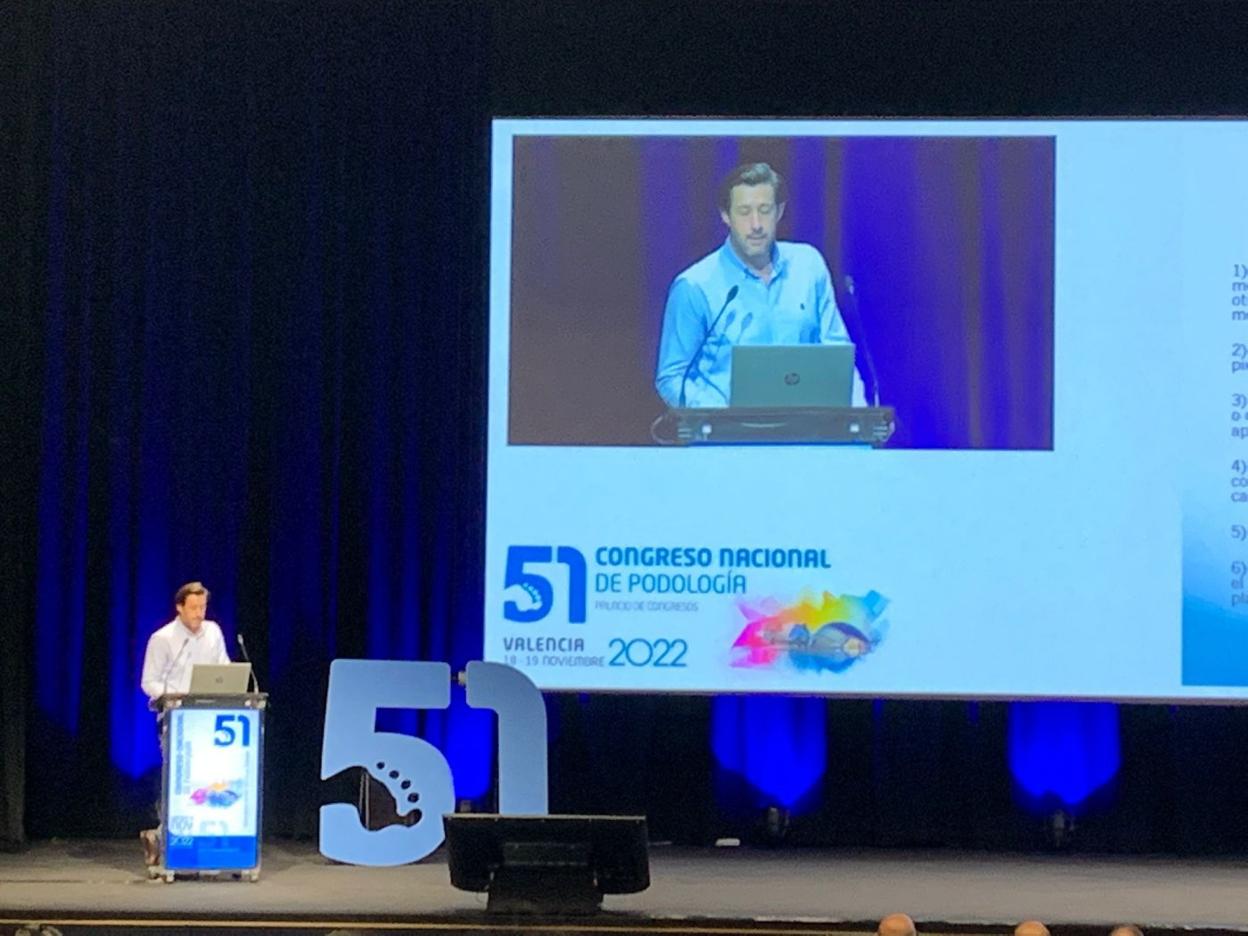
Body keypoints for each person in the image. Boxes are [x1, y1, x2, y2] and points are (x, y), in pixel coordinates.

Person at [655, 161, 866, 409]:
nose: (756, 225)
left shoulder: (808, 266)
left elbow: (837, 356)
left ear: (779, 211)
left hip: (804, 431)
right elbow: (671, 378)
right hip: (728, 439)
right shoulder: (694, 286)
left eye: (764, 210)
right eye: (744, 212)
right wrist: (720, 418)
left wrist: (859, 417)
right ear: (726, 215)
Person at [137, 582, 231, 865]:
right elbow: (149, 682)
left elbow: (224, 667)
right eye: (193, 608)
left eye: (202, 608)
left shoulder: (213, 632)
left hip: (211, 719)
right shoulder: (163, 639)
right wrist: (169, 697)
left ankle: (204, 842)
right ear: (179, 608)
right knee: (180, 782)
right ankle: (164, 837)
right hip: (176, 719)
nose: (199, 614)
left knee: (210, 782)